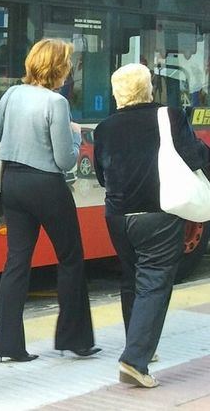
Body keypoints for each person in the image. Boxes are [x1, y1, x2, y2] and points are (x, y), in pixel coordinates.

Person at [94, 63, 210, 388]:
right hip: (158, 213)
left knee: (132, 277)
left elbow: (102, 176)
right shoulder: (169, 116)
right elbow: (195, 155)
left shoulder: (105, 128)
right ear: (149, 88)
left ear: (117, 93)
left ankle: (139, 344)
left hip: (117, 216)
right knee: (155, 282)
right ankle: (135, 360)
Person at [0, 38, 98, 362]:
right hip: (46, 185)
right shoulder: (56, 103)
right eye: (68, 65)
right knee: (71, 257)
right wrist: (75, 136)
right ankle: (73, 339)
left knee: (17, 262)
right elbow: (65, 161)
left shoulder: (12, 94)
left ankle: (8, 346)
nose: (71, 71)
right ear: (58, 68)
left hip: (13, 184)